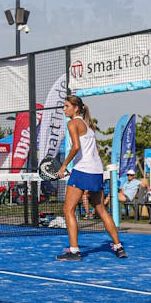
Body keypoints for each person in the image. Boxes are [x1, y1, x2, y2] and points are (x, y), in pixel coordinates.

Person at [53, 94, 127, 260]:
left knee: (68, 209)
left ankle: (74, 251)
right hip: (96, 171)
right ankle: (118, 247)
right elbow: (93, 153)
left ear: (76, 108)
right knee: (101, 209)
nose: (64, 109)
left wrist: (64, 166)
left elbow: (76, 147)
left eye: (66, 106)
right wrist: (78, 168)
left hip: (83, 170)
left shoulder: (72, 123)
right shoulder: (89, 126)